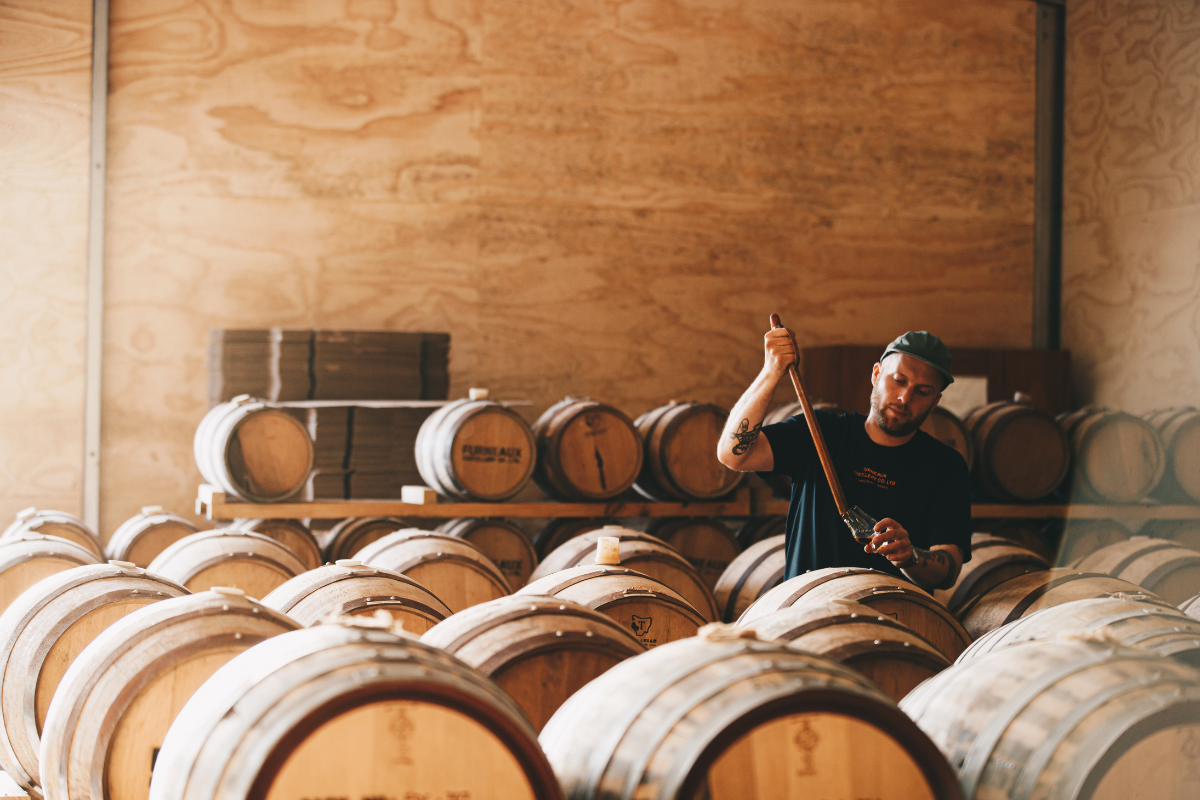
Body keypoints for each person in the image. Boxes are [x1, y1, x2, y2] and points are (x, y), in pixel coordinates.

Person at [716, 320, 971, 591]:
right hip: (806, 615)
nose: (905, 398)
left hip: (893, 619)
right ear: (875, 374)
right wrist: (772, 371)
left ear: (935, 402)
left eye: (922, 392)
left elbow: (948, 570)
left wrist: (911, 557)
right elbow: (734, 456)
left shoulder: (945, 466)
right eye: (898, 381)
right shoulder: (820, 431)